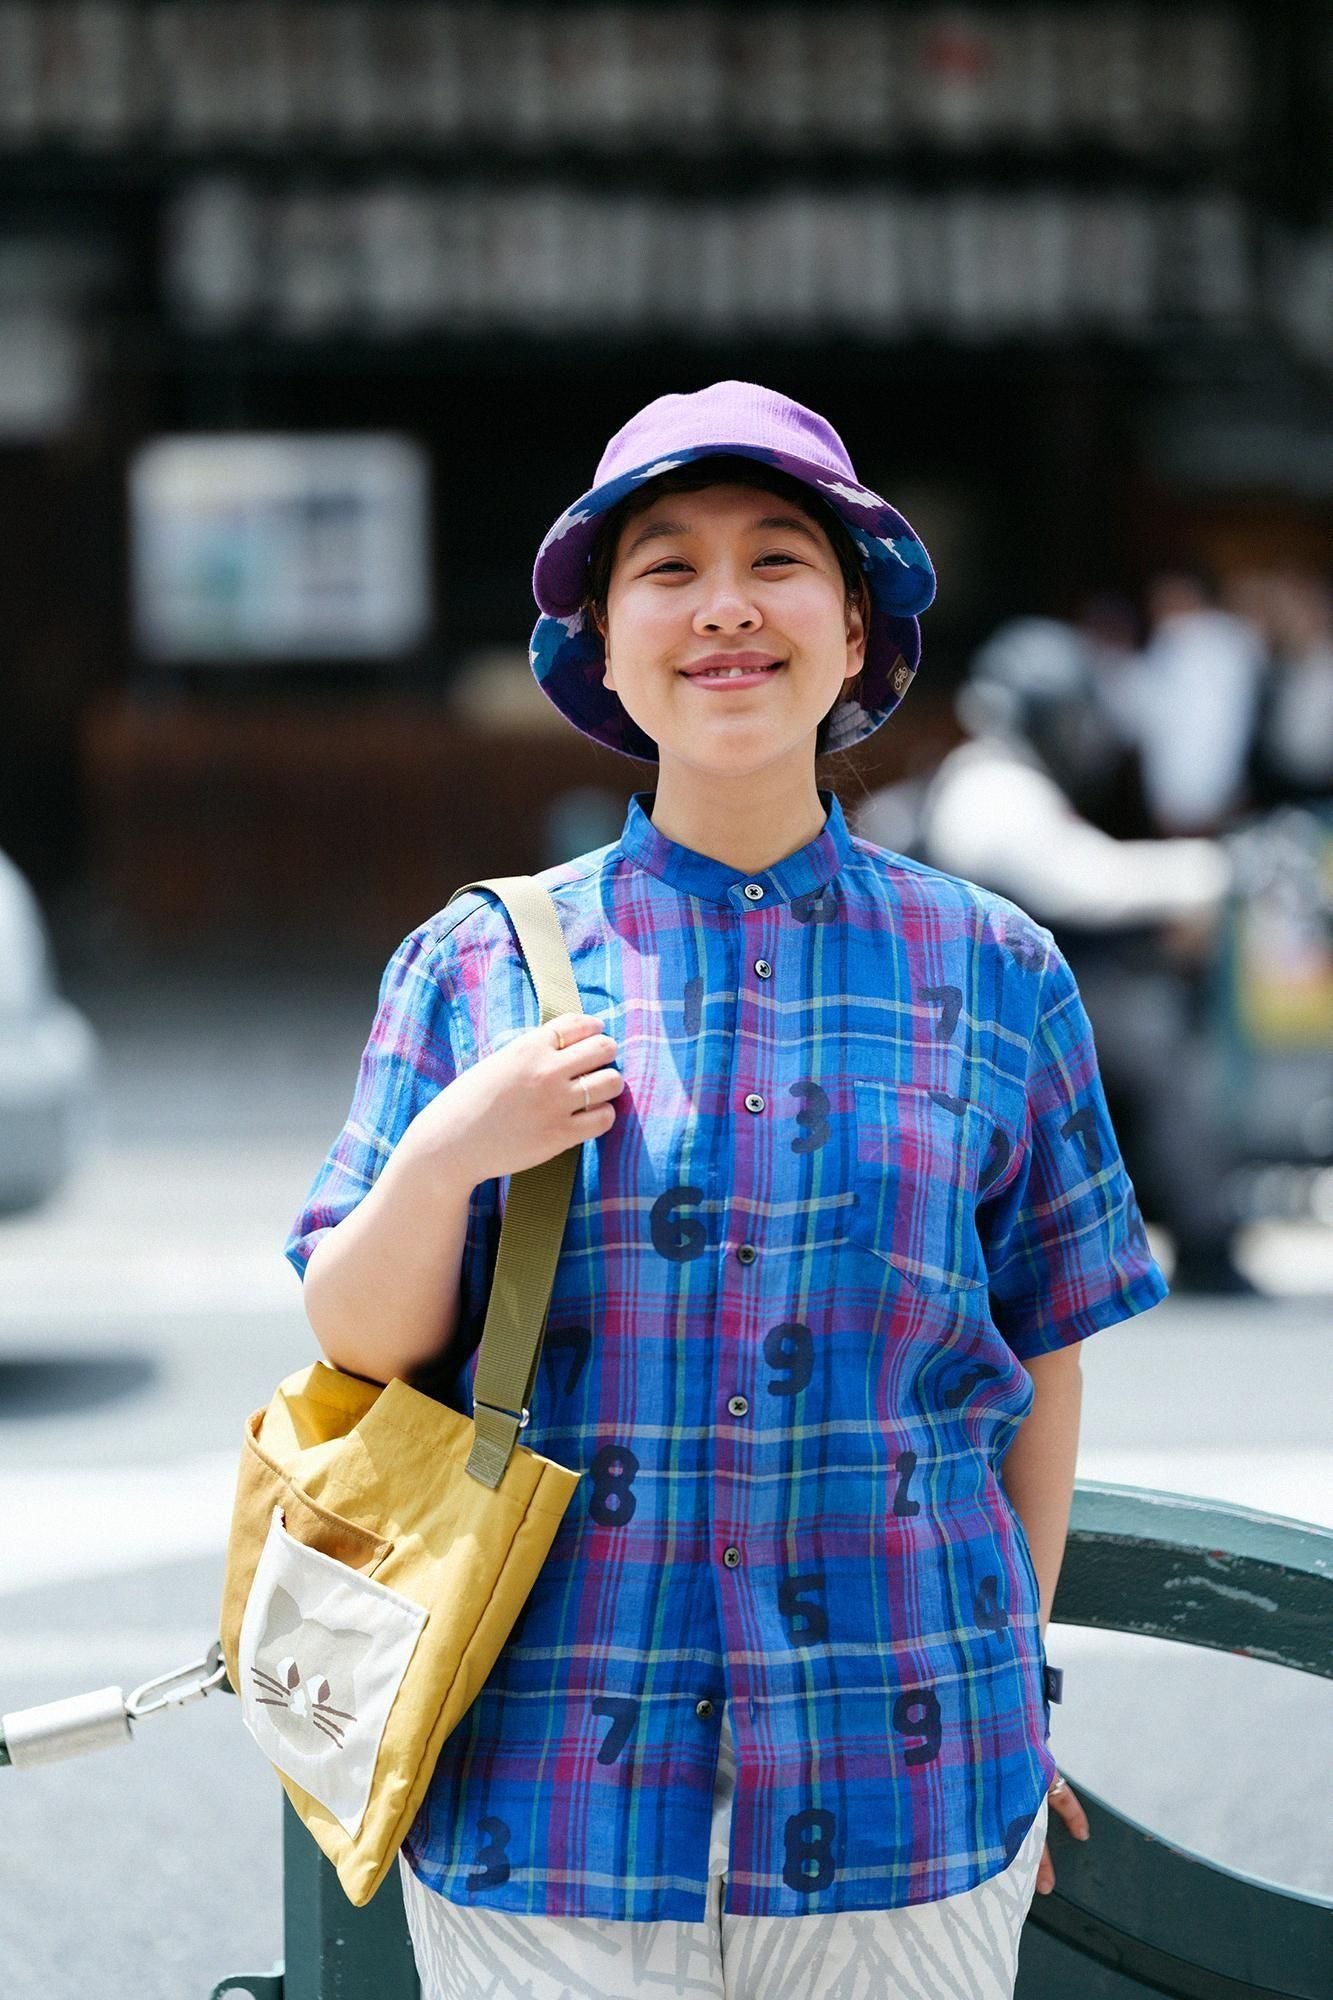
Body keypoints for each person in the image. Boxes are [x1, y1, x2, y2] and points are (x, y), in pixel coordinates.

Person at [282, 382, 1168, 2000]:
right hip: (541, 1806)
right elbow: (354, 1337)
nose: (726, 607)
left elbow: (1039, 1361)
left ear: (852, 637)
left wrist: (1011, 1700)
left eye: (778, 561)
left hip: (910, 1797)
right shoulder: (476, 963)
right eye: (666, 569)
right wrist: (451, 1152)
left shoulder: (998, 972)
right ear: (603, 653)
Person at [901, 615, 1257, 1296]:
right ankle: (1206, 1240)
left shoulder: (1001, 777)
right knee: (1156, 1049)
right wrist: (1209, 867)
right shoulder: (992, 783)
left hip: (1006, 995)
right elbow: (1078, 882)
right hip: (1002, 1002)